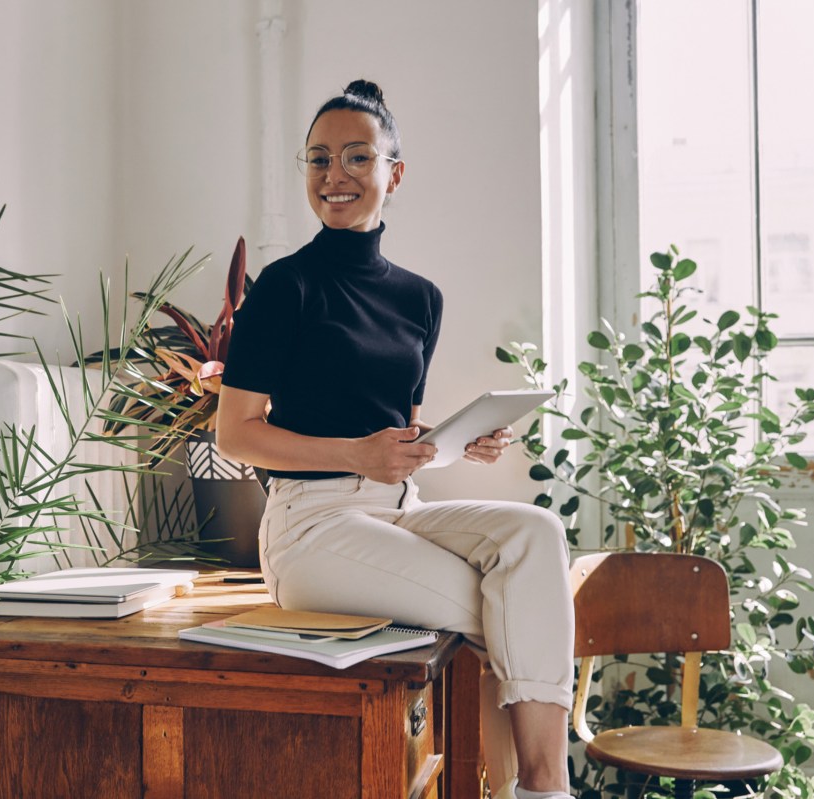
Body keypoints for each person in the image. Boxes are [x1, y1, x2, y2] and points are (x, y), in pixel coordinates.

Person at [216, 80, 575, 799]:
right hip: (311, 527)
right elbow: (236, 434)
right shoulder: (284, 289)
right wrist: (353, 454)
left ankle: (538, 785)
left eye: (356, 157)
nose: (334, 176)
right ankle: (542, 788)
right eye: (318, 159)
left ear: (393, 173)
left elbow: (395, 425)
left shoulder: (420, 297)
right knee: (509, 607)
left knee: (534, 536)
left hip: (402, 508)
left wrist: (455, 440)